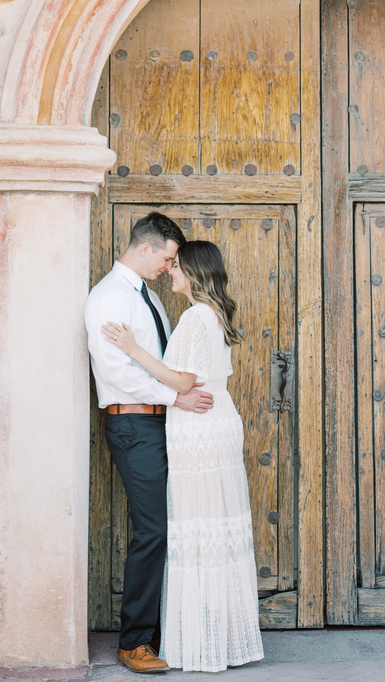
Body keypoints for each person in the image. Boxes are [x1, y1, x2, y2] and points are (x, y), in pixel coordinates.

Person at [101, 240, 264, 674]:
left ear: (193, 271)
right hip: (216, 422)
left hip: (200, 430)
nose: (171, 270)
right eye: (169, 262)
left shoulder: (195, 316)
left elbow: (185, 380)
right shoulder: (213, 314)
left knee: (198, 529)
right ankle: (221, 639)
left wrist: (133, 349)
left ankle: (200, 643)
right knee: (212, 528)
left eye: (177, 265)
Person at [85, 212, 216, 674]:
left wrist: (175, 400)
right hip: (134, 425)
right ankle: (134, 642)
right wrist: (175, 398)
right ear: (146, 248)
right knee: (153, 531)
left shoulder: (150, 299)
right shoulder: (108, 298)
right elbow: (118, 373)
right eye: (167, 257)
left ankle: (164, 632)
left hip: (162, 423)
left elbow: (159, 362)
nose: (169, 266)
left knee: (169, 527)